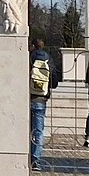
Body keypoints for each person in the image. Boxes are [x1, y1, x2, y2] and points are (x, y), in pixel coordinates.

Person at [28, 37, 62, 168]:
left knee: (25, 129)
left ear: (33, 46)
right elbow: (54, 80)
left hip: (28, 97)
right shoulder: (48, 59)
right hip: (41, 98)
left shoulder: (29, 57)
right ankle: (36, 160)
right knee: (38, 130)